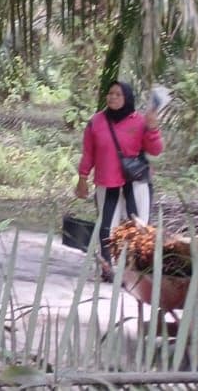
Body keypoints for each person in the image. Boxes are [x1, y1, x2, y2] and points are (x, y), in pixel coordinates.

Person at [75, 80, 163, 281]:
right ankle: (107, 270)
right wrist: (82, 178)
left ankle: (134, 272)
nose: (112, 97)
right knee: (107, 227)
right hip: (107, 183)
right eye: (110, 93)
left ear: (127, 98)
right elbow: (88, 153)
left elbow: (155, 150)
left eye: (118, 94)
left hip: (136, 182)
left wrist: (152, 128)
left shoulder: (140, 121)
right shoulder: (96, 122)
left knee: (138, 227)